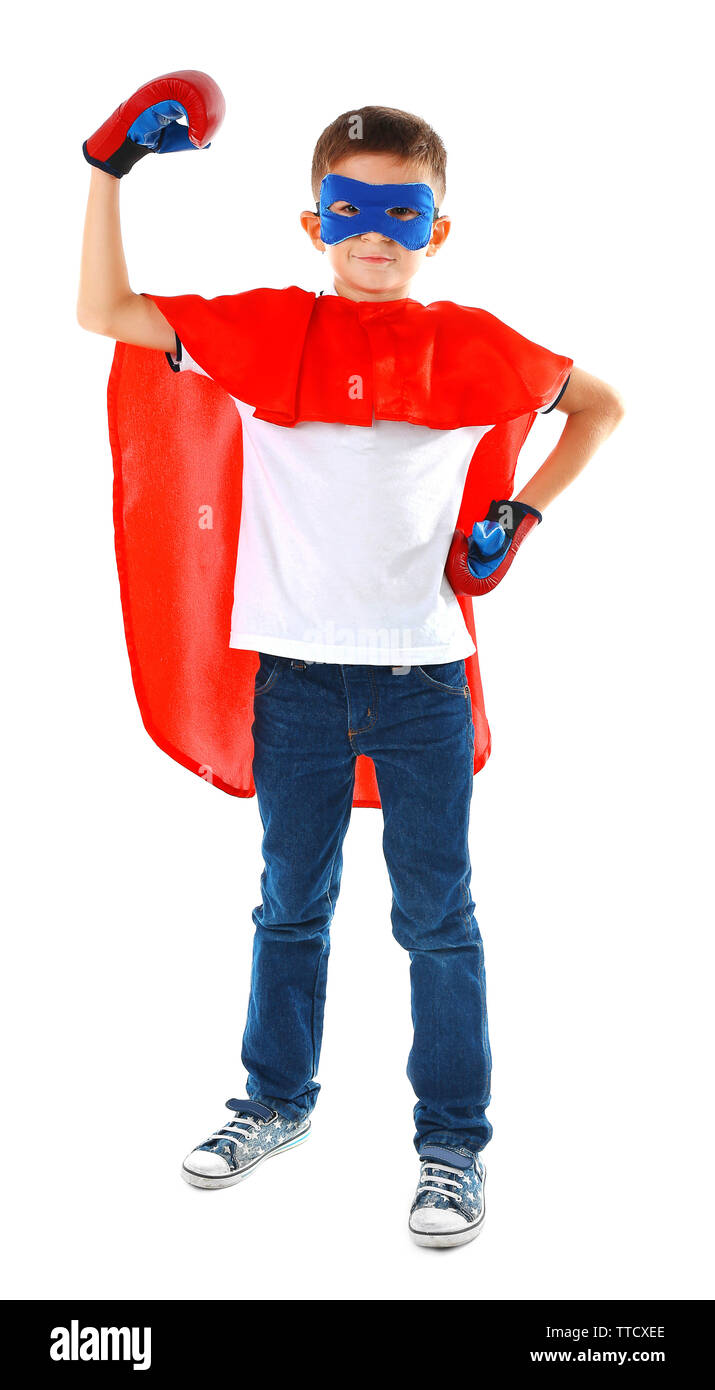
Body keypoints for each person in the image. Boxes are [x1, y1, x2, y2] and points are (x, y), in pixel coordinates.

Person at [77, 75, 625, 1248]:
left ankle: (450, 1146)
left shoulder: (469, 344)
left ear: (439, 227)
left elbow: (601, 405)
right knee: (290, 906)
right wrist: (107, 171)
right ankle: (273, 1101)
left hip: (421, 680)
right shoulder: (269, 328)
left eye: (403, 213)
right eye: (352, 209)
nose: (377, 236)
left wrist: (523, 513)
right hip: (296, 685)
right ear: (313, 220)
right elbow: (107, 311)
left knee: (437, 916)